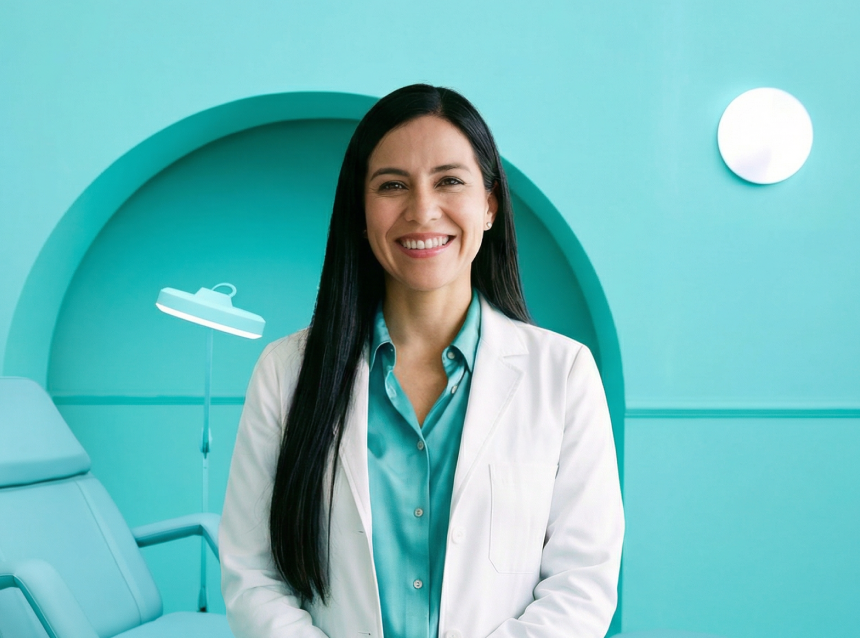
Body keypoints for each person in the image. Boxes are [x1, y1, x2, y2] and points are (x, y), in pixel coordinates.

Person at [220, 84, 624, 638]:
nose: (422, 211)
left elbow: (582, 584)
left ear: (489, 204)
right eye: (392, 185)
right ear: (360, 212)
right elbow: (253, 573)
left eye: (450, 181)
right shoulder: (285, 370)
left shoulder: (564, 373)